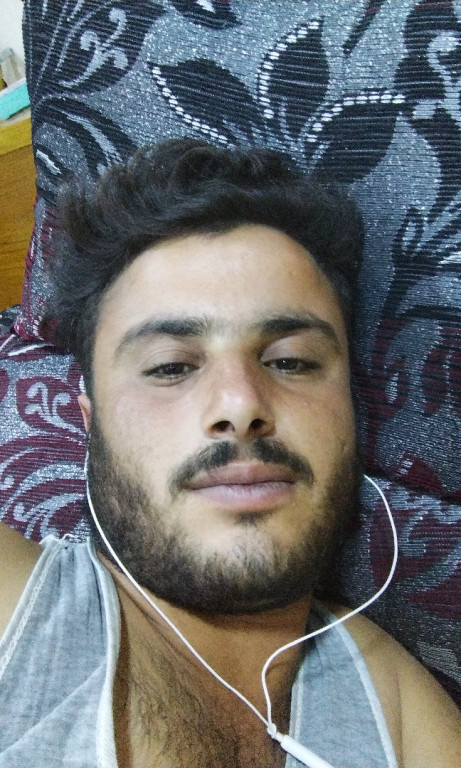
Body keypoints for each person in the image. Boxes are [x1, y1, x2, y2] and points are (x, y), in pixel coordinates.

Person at [0, 139, 460, 768]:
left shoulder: (402, 711)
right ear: (91, 424)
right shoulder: (18, 612)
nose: (241, 403)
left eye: (291, 361)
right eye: (170, 367)